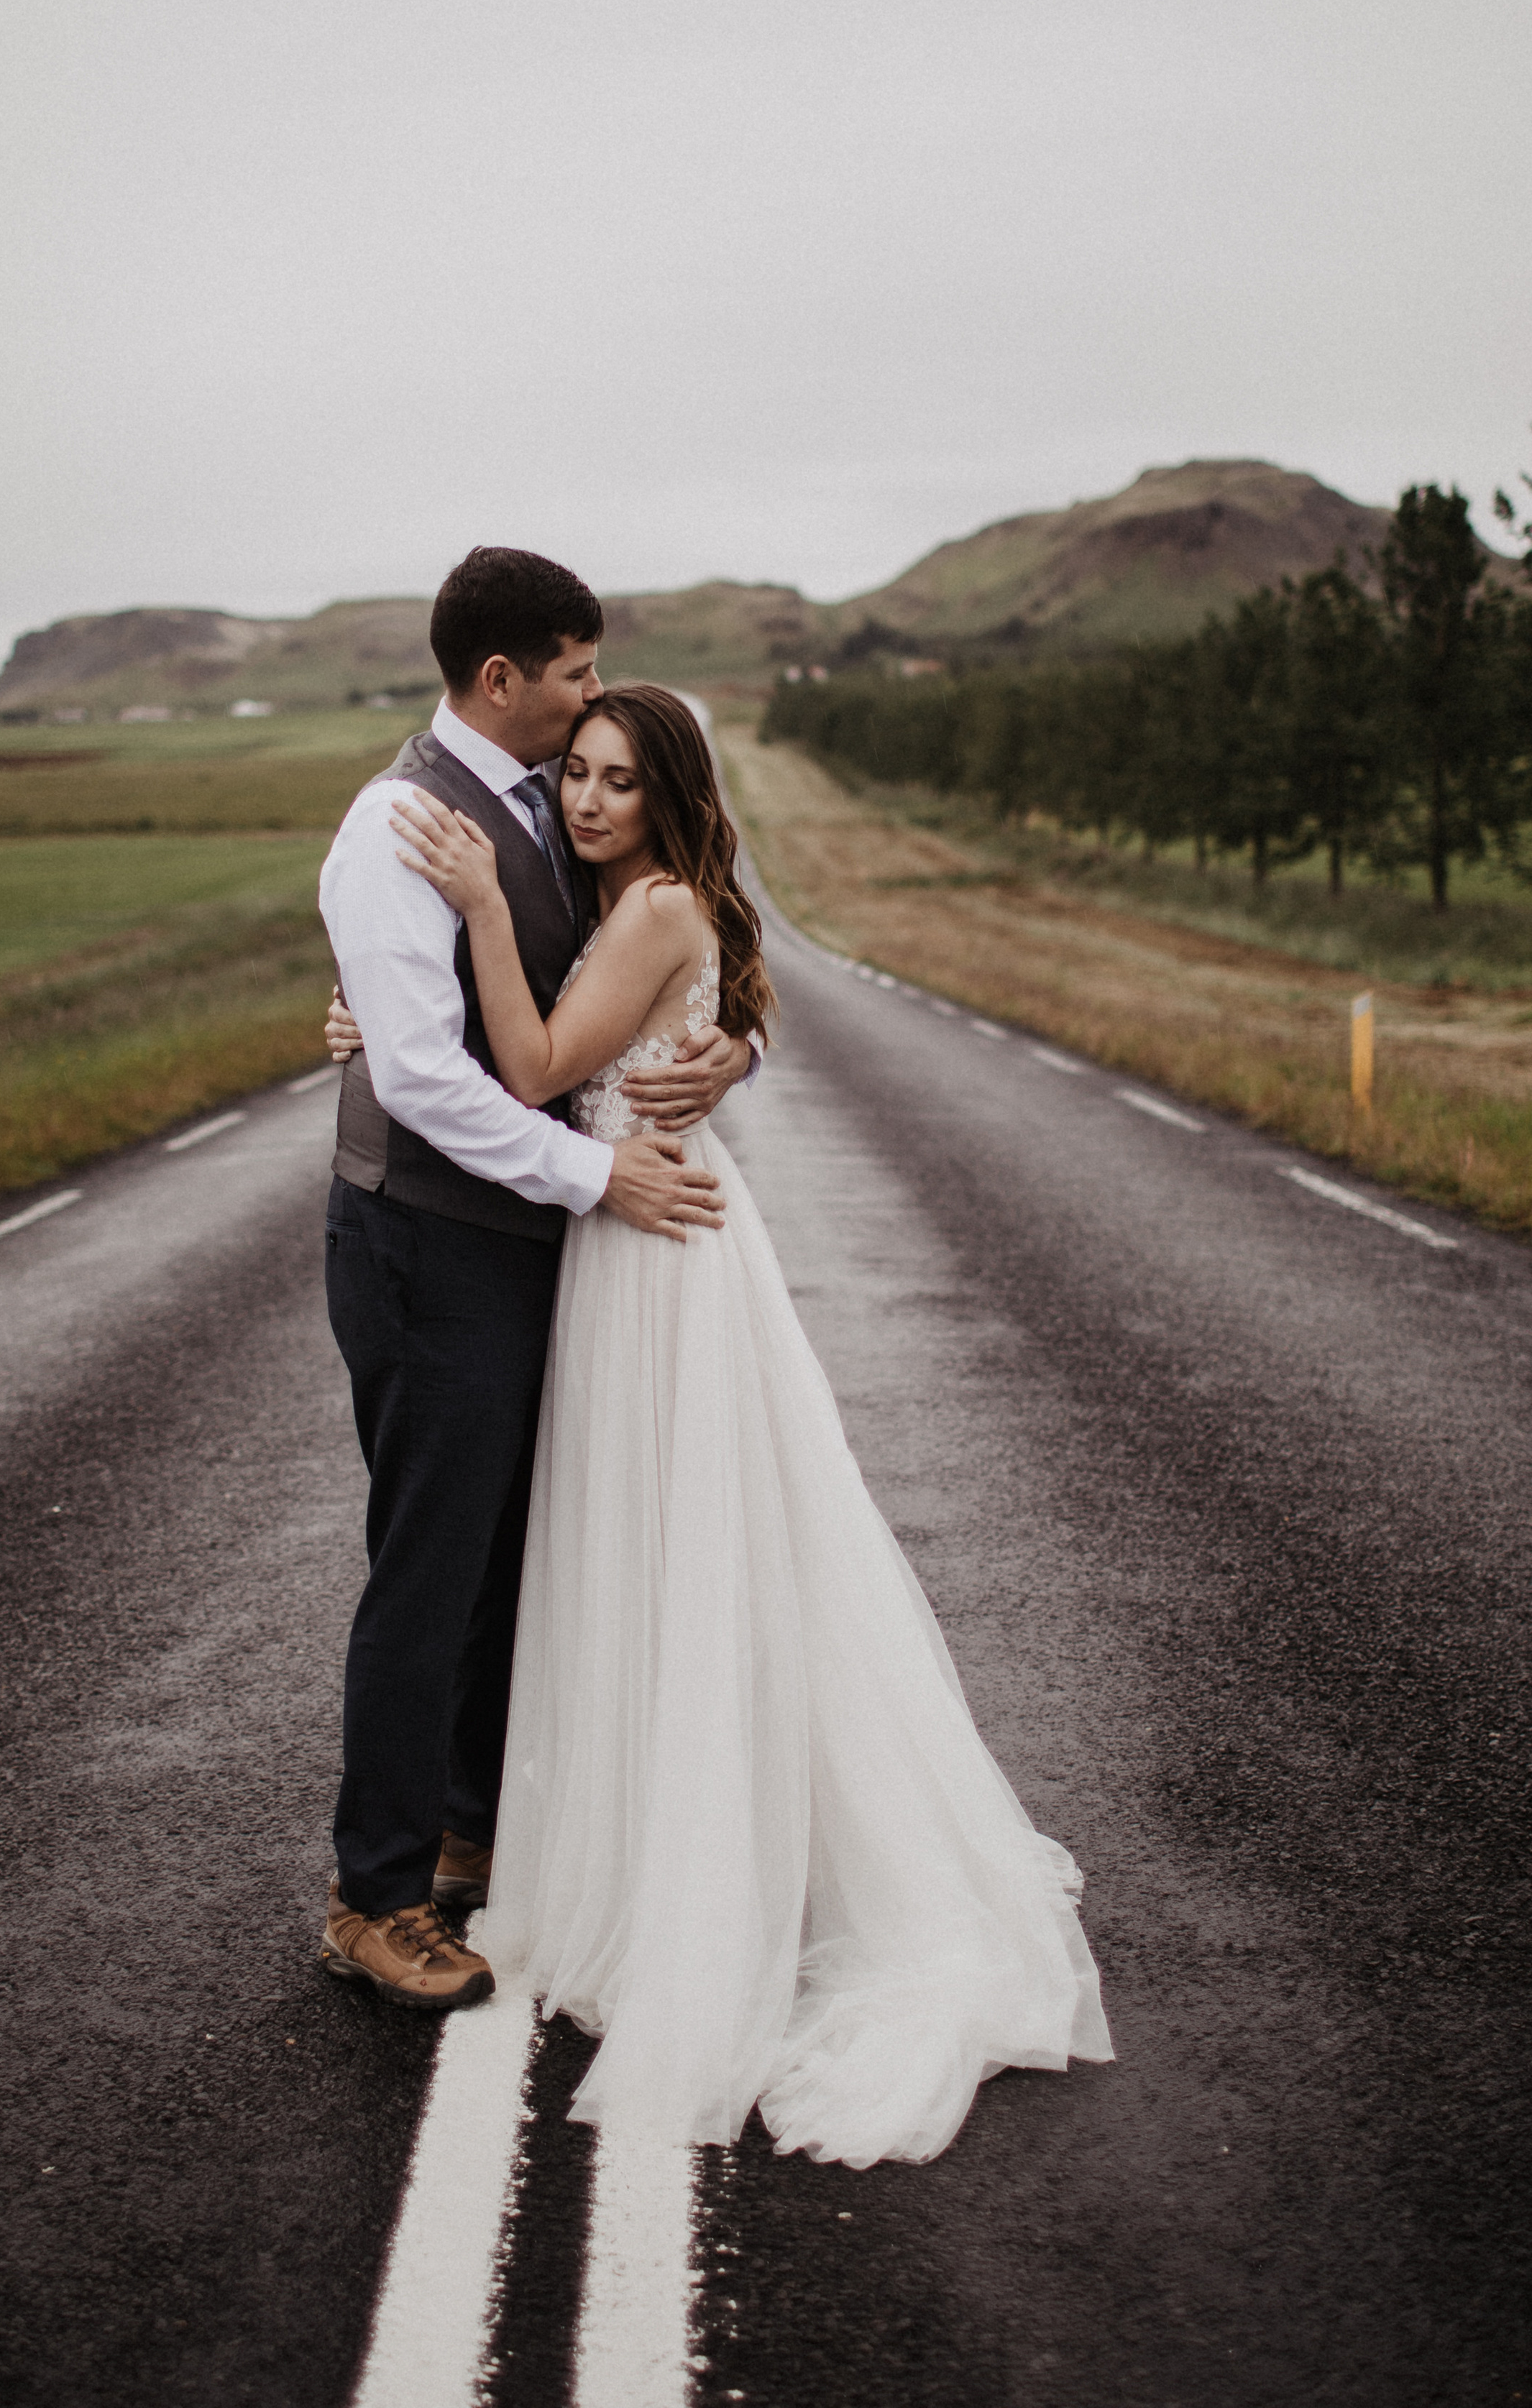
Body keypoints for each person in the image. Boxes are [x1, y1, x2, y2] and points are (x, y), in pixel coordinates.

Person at [370, 679, 1114, 2166]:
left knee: (664, 1548)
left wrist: (477, 911)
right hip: (645, 1231)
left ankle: (686, 1868)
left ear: (670, 800)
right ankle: (659, 1838)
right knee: (653, 1547)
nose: (584, 802)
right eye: (575, 774)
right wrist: (374, 1012)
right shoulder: (648, 902)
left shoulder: (645, 912)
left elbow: (530, 1072)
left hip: (655, 1251)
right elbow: (653, 1026)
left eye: (617, 783)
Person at [314, 548, 758, 2015]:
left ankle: (466, 1821)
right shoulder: (396, 823)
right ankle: (374, 1899)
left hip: (528, 1245)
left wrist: (727, 1047)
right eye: (573, 672)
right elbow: (435, 1078)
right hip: (427, 1242)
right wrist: (599, 1172)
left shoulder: (536, 809)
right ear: (501, 677)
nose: (586, 712)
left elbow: (666, 954)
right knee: (429, 1563)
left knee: (512, 1553)